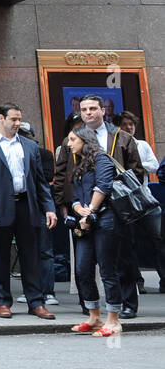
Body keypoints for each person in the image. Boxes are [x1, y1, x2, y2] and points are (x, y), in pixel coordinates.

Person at [54, 95, 143, 317]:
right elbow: (63, 175)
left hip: (116, 209)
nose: (88, 113)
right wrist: (68, 206)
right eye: (84, 109)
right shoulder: (73, 139)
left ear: (103, 110)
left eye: (93, 108)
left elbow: (137, 172)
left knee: (121, 258)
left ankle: (127, 303)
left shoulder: (121, 138)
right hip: (82, 210)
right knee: (84, 264)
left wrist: (112, 192)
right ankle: (90, 306)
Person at [0, 103, 58, 320]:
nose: (18, 124)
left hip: (27, 205)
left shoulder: (29, 146)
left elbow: (40, 182)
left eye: (20, 120)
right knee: (0, 256)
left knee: (32, 256)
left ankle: (36, 302)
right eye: (13, 120)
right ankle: (2, 302)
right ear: (1, 118)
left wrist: (49, 208)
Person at [61, 126, 121, 335]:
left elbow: (103, 187)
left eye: (72, 140)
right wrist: (78, 209)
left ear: (84, 140)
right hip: (85, 222)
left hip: (105, 220)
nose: (69, 144)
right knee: (82, 269)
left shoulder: (103, 160)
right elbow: (75, 194)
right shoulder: (80, 164)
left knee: (107, 269)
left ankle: (113, 320)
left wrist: (90, 212)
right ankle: (94, 316)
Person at [115, 110, 162, 296]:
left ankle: (163, 278)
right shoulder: (115, 145)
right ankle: (137, 281)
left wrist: (138, 164)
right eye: (125, 125)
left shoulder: (142, 145)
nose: (129, 128)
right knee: (129, 242)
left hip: (145, 198)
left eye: (131, 125)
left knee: (157, 240)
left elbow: (154, 165)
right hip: (125, 202)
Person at [19, 122, 59, 307]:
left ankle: (48, 291)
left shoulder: (43, 154)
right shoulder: (10, 153)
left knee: (45, 251)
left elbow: (47, 177)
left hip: (40, 207)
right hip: (21, 206)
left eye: (25, 134)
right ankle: (30, 290)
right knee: (26, 251)